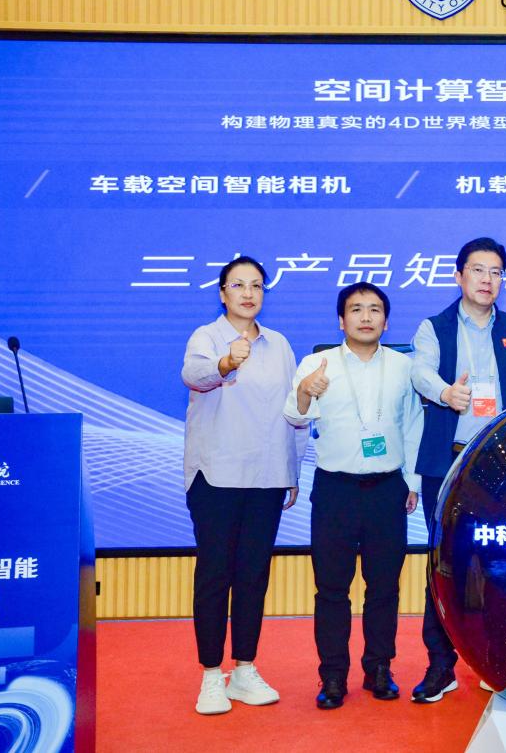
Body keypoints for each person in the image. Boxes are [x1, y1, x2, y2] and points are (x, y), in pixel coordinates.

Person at [409, 237, 506, 703]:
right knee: (444, 564)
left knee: (501, 564)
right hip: (448, 462)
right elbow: (419, 372)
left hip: (502, 465)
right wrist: (445, 393)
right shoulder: (436, 327)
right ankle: (440, 665)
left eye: (496, 272)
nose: (488, 280)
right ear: (459, 275)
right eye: (478, 270)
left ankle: (498, 659)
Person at [283, 283, 423, 709]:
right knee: (331, 588)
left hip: (387, 490)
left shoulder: (403, 366)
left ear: (386, 321)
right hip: (335, 490)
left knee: (384, 588)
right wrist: (306, 390)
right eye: (356, 309)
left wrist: (412, 482)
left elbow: (413, 425)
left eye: (375, 309)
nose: (366, 317)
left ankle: (379, 668)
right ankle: (332, 676)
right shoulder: (317, 363)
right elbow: (294, 416)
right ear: (341, 321)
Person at [181, 255, 302, 715]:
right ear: (222, 293)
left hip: (267, 476)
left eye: (257, 285)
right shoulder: (206, 336)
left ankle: (245, 668)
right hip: (216, 475)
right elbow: (193, 375)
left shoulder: (280, 344)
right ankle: (211, 674)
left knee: (253, 575)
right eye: (238, 285)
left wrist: (293, 469)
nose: (249, 293)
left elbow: (294, 411)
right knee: (215, 574)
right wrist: (226, 361)